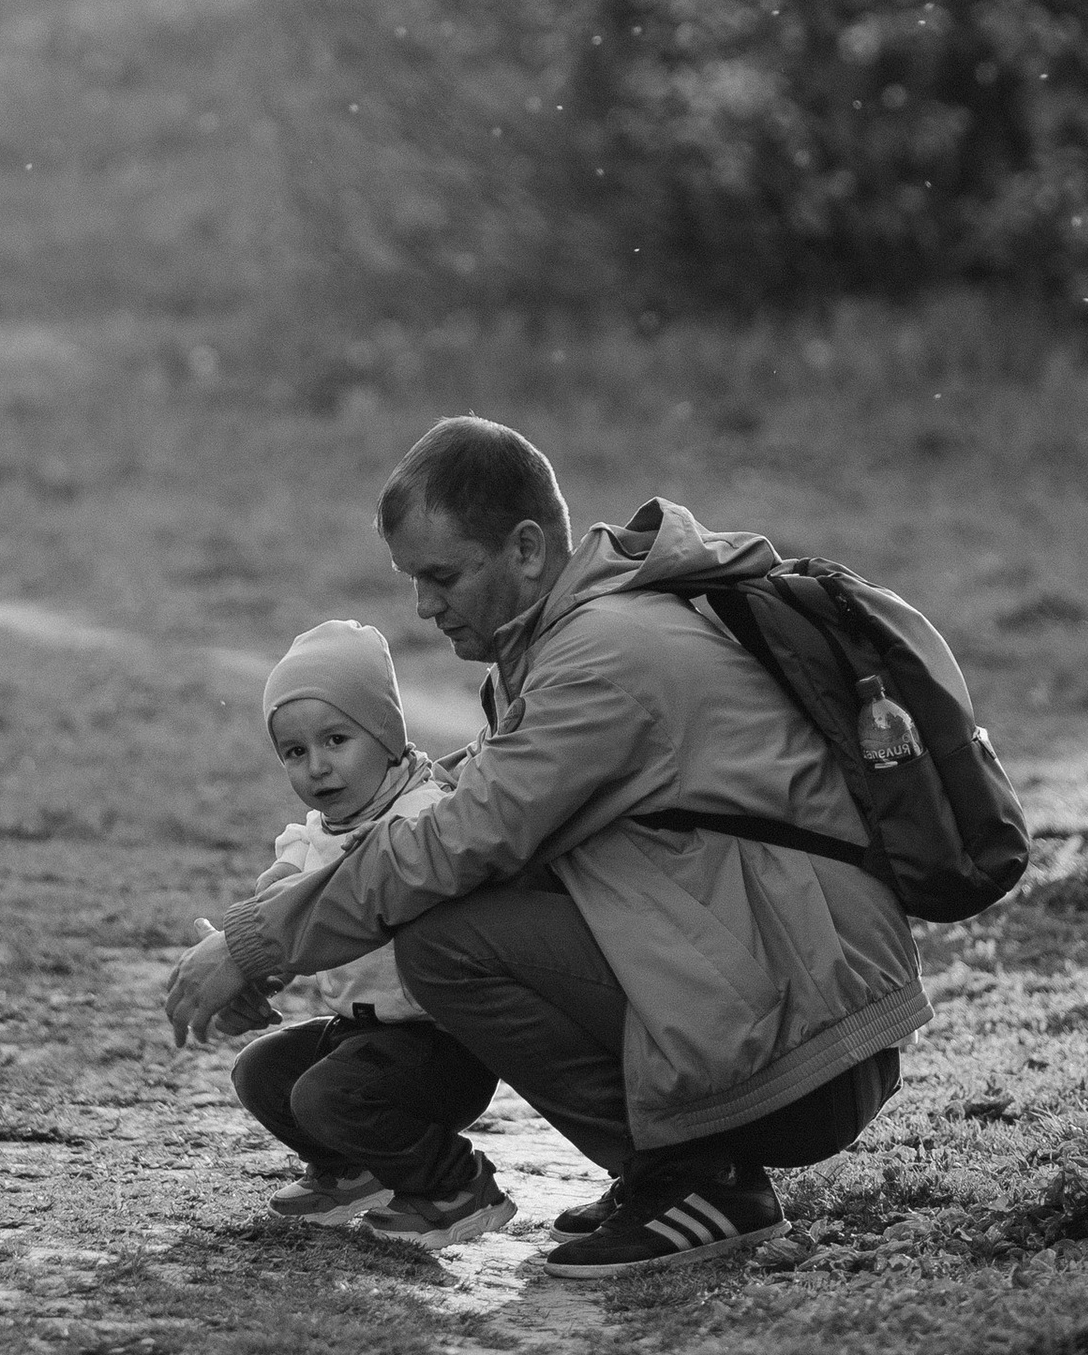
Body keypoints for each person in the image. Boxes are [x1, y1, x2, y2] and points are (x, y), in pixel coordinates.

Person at [165, 418, 927, 1281]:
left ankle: (697, 1180)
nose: (425, 605)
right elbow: (458, 813)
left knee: (449, 940)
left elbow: (456, 841)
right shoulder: (569, 641)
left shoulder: (601, 659)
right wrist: (284, 923)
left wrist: (257, 942)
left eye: (443, 575)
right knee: (459, 914)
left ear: (526, 550)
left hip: (807, 1035)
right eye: (415, 580)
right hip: (786, 992)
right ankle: (677, 1170)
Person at [226, 617, 513, 1249]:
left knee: (330, 1095)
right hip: (365, 1035)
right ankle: (351, 1170)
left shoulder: (424, 816)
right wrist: (242, 968)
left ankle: (455, 1185)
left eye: (336, 740)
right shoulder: (316, 832)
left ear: (385, 736)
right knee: (263, 1072)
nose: (318, 767)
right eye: (296, 753)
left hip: (441, 1045)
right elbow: (279, 902)